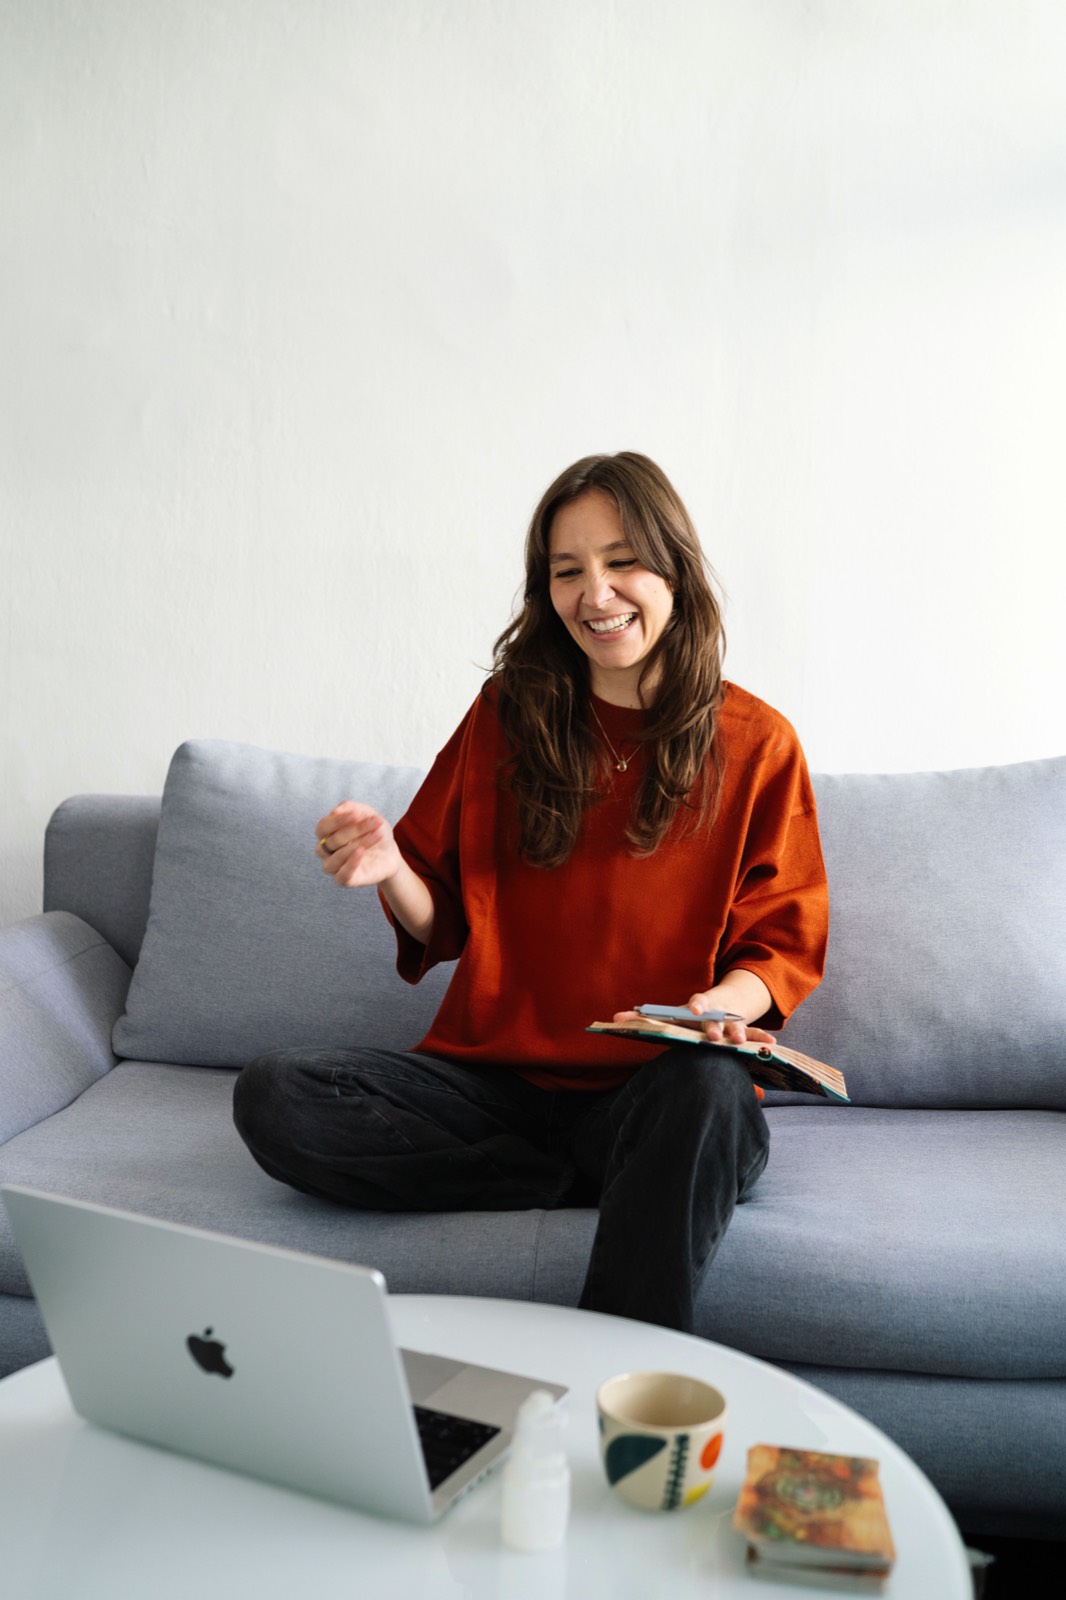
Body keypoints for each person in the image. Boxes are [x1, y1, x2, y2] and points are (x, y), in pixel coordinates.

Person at [233, 452, 828, 1333]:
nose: (597, 594)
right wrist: (388, 868)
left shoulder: (758, 741)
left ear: (674, 568)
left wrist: (716, 1007)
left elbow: (778, 945)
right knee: (277, 1096)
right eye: (567, 571)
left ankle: (616, 1378)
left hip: (654, 1095)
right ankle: (587, 1178)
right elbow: (439, 915)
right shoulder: (508, 714)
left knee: (708, 1095)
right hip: (495, 1088)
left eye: (622, 560)